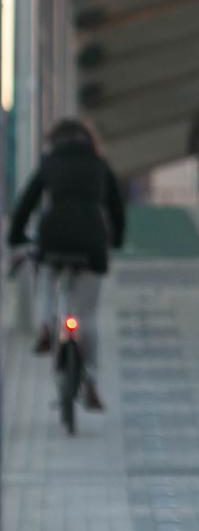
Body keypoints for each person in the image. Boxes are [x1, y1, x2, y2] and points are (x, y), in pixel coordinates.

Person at [7, 119, 126, 411]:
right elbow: (116, 208)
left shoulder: (50, 163)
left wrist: (16, 236)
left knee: (46, 273)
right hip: (91, 240)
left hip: (54, 236)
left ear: (55, 141)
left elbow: (26, 203)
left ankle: (47, 325)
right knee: (87, 317)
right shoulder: (100, 165)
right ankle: (93, 383)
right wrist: (117, 240)